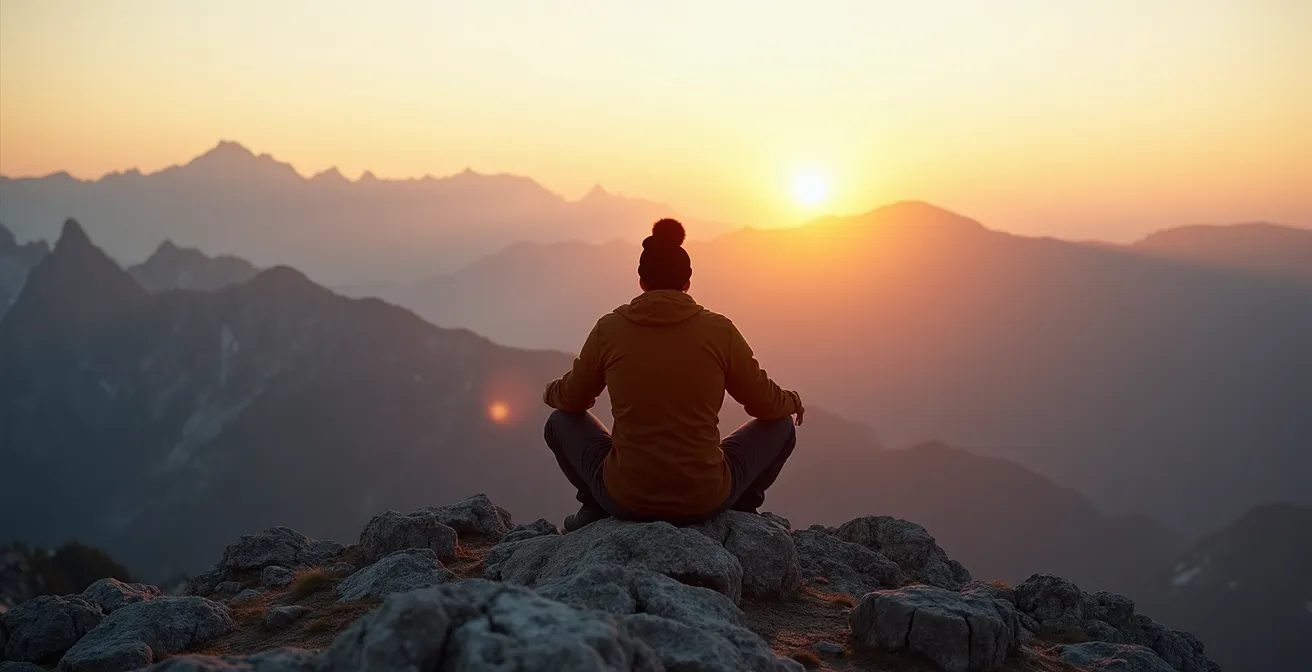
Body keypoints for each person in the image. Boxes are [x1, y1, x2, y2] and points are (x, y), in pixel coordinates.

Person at [542, 218, 804, 531]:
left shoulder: (609, 330)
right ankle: (741, 508)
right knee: (782, 426)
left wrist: (550, 391)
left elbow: (572, 400)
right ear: (687, 282)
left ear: (641, 281)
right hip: (705, 497)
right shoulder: (719, 331)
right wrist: (792, 400)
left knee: (559, 421)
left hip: (626, 498)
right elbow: (765, 404)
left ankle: (593, 506)